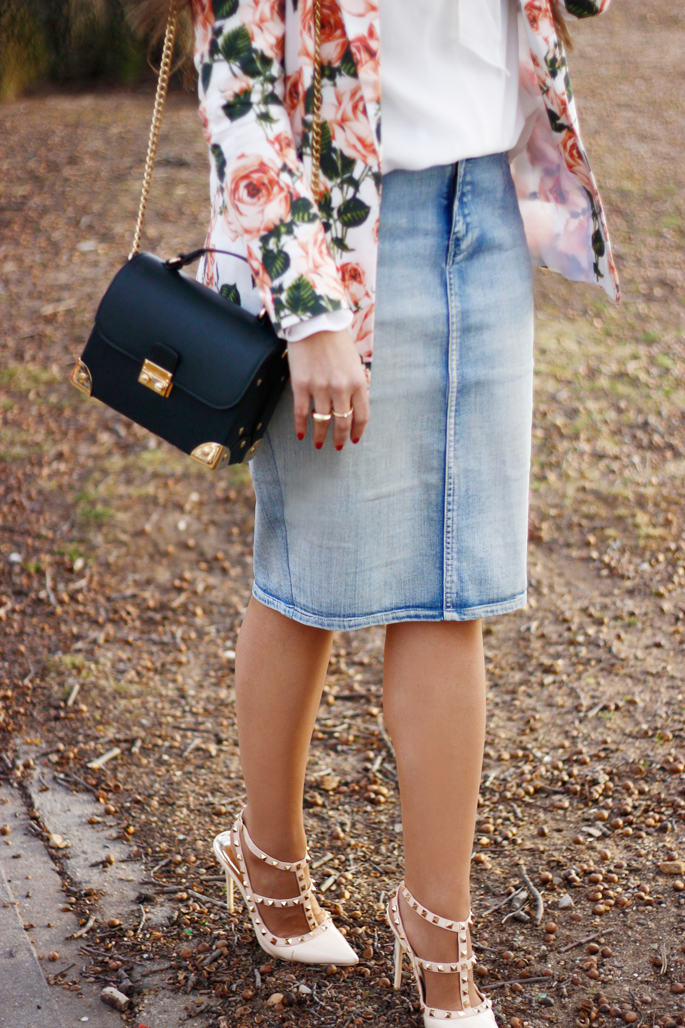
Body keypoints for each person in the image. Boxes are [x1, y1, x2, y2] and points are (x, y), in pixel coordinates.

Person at [135, 0, 618, 1023]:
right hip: (334, 231)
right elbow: (241, 86)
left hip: (483, 211)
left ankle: (439, 936)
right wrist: (309, 311)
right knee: (309, 573)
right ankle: (267, 857)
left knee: (455, 582)